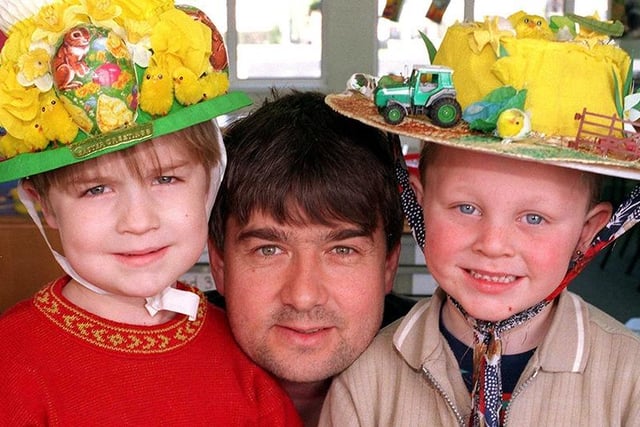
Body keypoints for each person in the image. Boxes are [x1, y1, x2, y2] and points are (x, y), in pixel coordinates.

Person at [0, 2, 301, 425]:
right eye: (96, 189)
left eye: (166, 180)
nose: (138, 222)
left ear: (211, 177)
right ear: (44, 203)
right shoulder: (10, 367)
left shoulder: (247, 353)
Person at [319, 87, 640, 424]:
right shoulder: (365, 382)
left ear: (588, 232)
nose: (493, 244)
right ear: (418, 207)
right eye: (467, 208)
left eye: (534, 218)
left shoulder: (630, 379)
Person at [206, 90, 412, 426]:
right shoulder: (155, 373)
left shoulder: (451, 371)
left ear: (389, 265)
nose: (303, 297)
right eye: (268, 250)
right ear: (219, 263)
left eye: (342, 251)